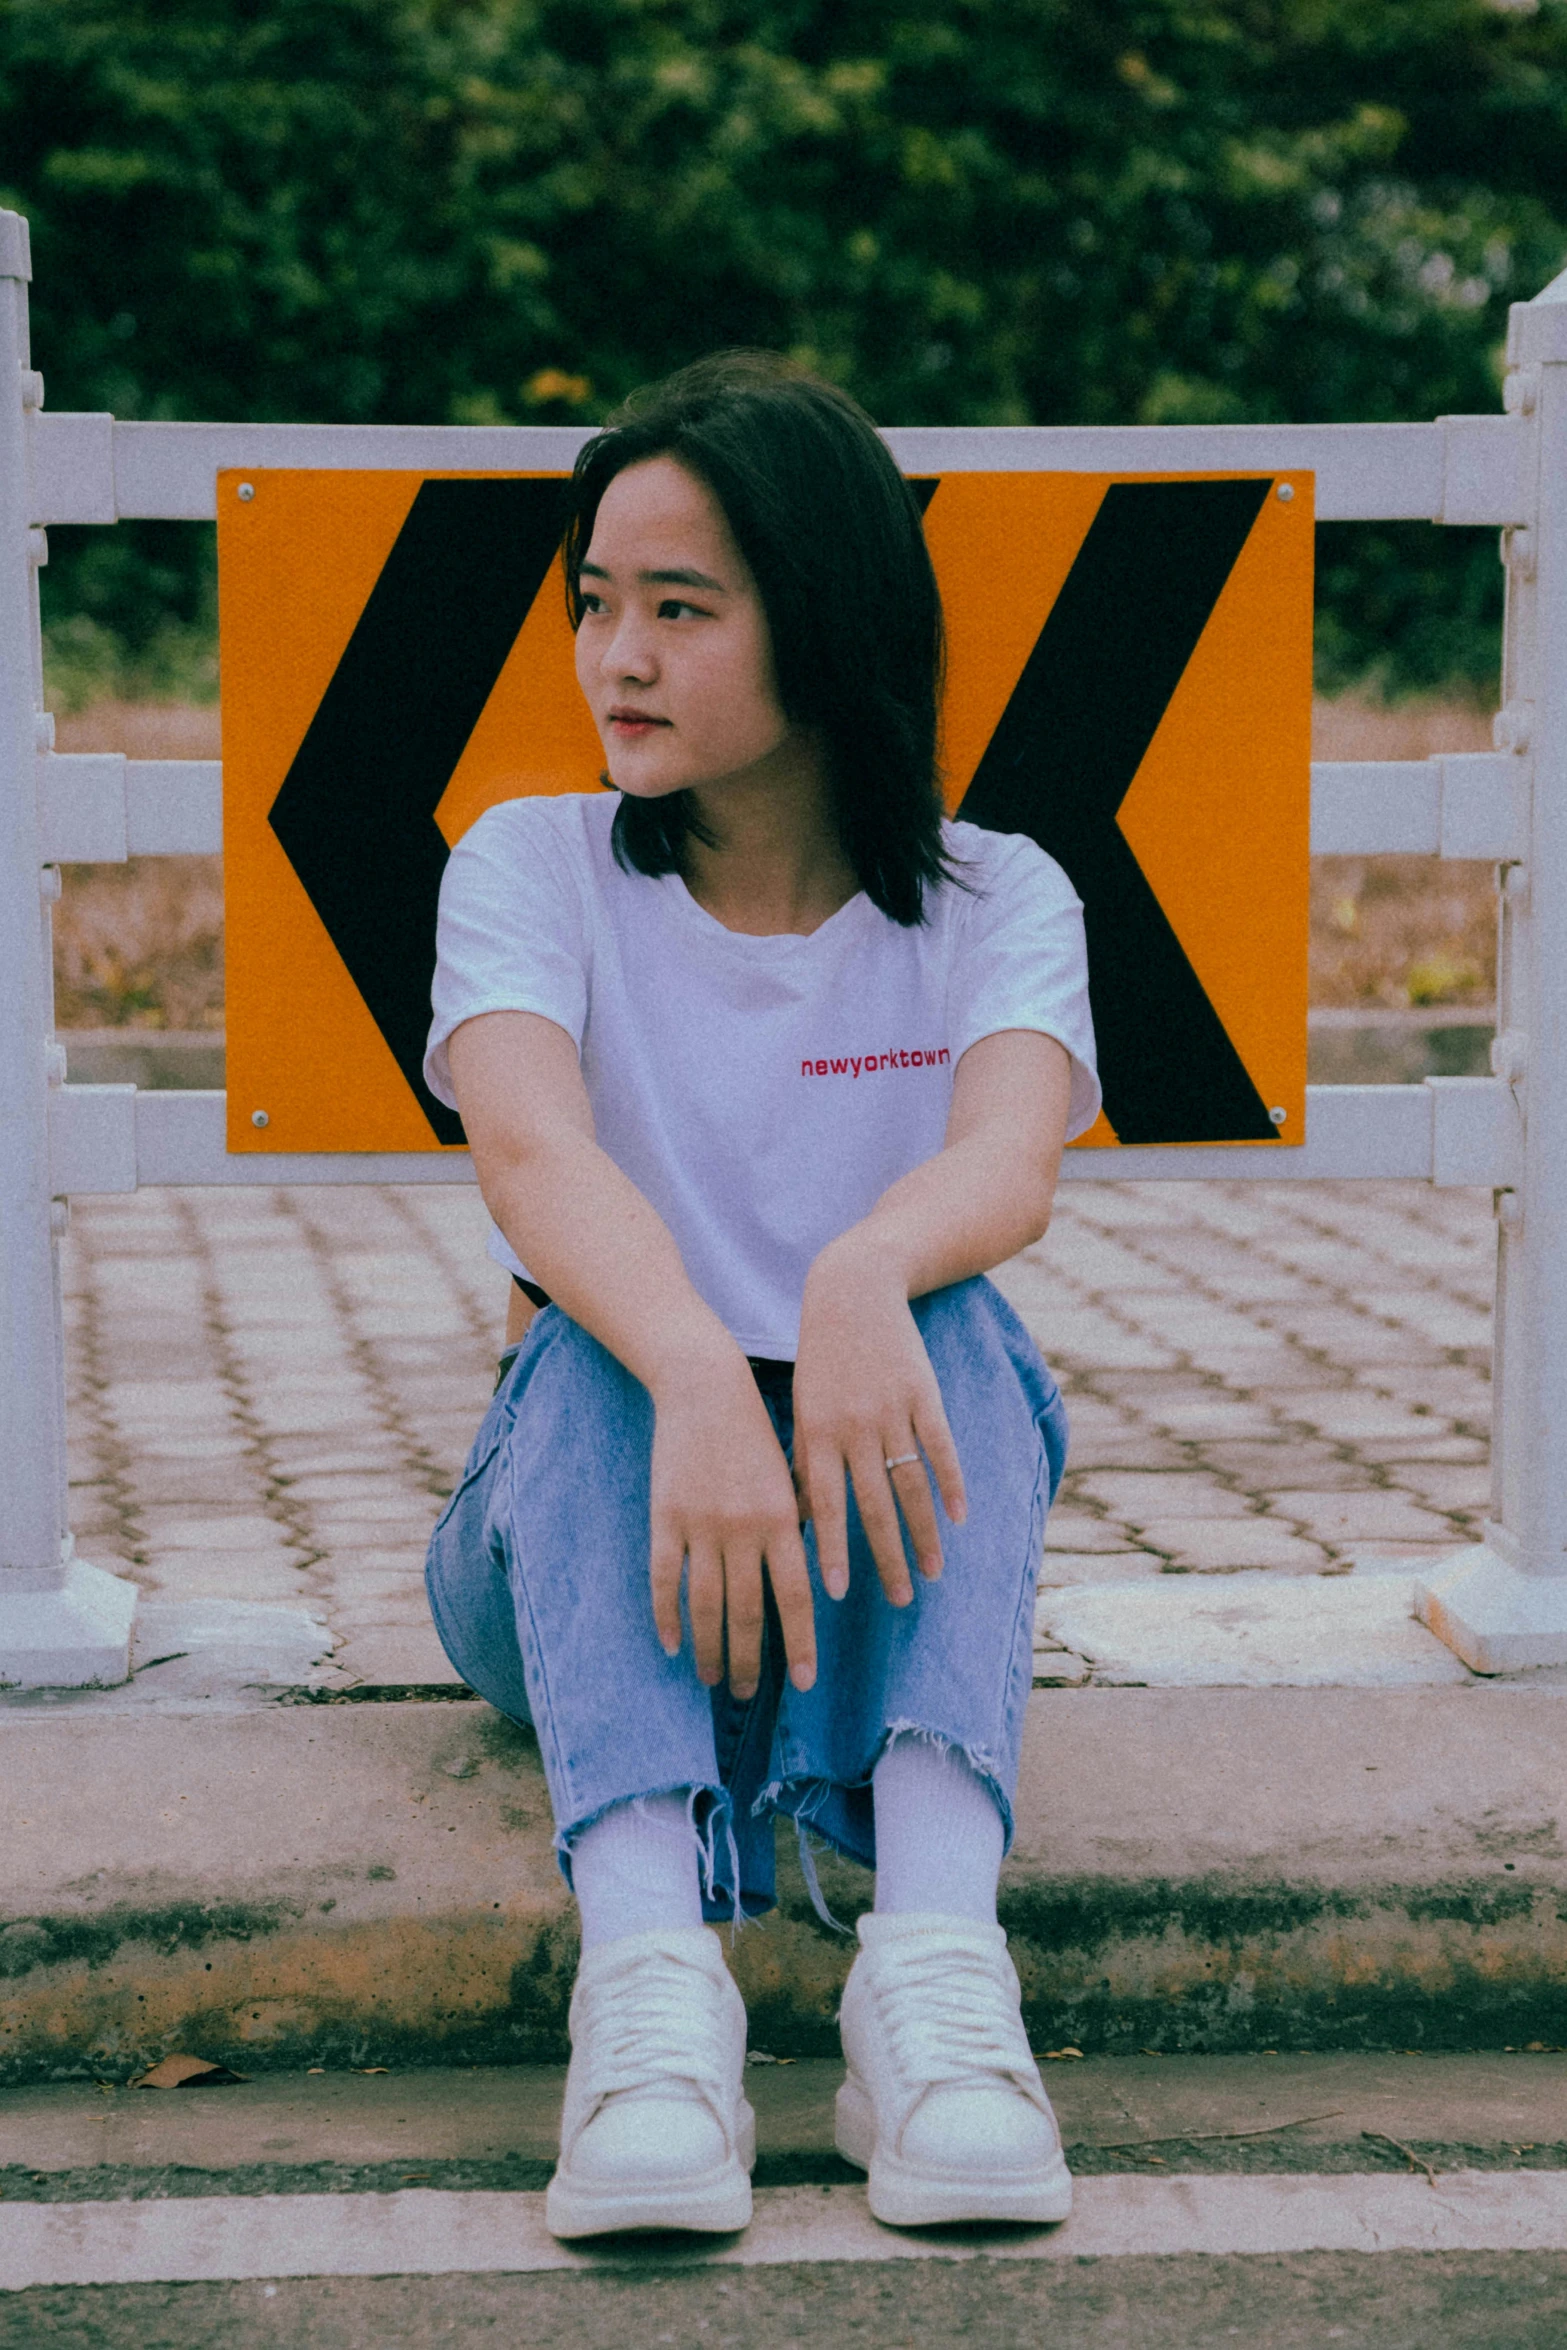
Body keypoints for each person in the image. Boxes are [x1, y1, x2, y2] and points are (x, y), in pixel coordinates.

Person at [422, 353, 1100, 2242]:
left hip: (859, 1529)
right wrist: (706, 1376)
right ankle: (649, 1994)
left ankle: (936, 1991)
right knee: (591, 1342)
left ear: (824, 618)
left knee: (960, 1318)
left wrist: (868, 1263)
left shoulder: (993, 897)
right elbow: (531, 1159)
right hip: (577, 1527)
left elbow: (1011, 1159)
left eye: (677, 609)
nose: (612, 657)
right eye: (592, 605)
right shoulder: (531, 862)